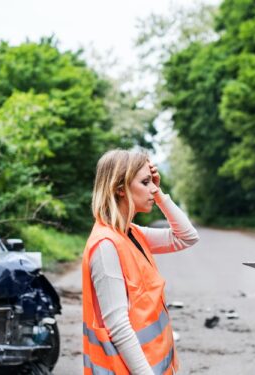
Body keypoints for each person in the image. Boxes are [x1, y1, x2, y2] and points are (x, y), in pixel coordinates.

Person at [81, 149, 199, 375]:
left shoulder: (130, 233)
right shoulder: (106, 245)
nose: (153, 188)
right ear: (119, 189)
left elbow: (187, 237)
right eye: (145, 182)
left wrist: (160, 193)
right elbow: (118, 326)